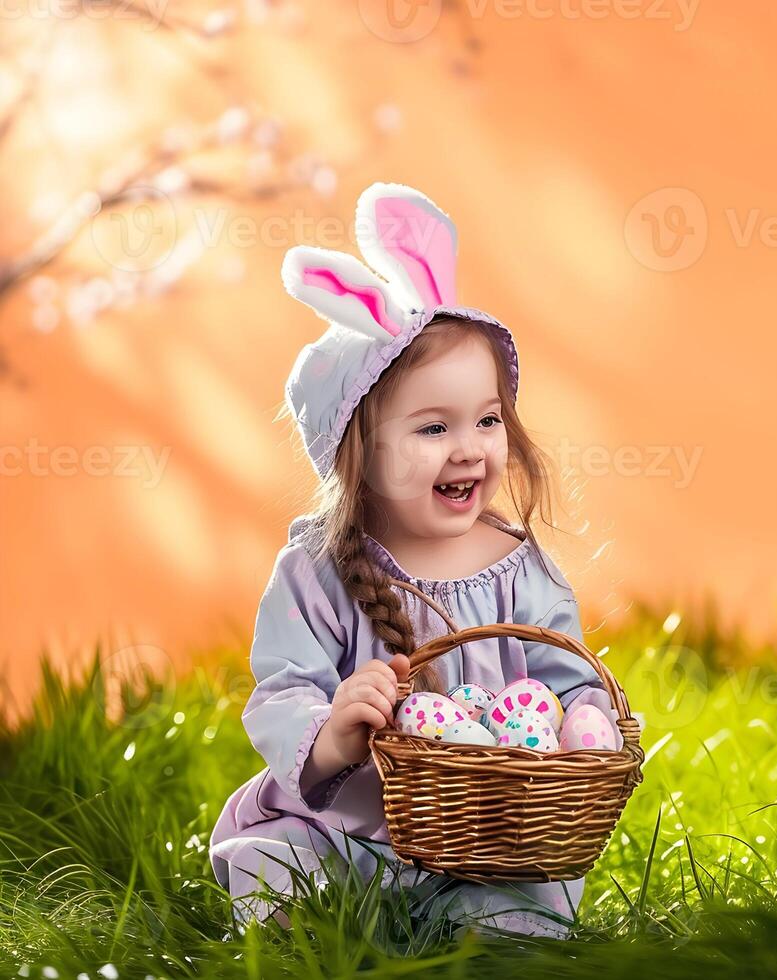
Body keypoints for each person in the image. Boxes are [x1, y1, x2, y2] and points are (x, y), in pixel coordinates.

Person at [208, 182, 623, 940]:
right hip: (348, 827)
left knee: (525, 903)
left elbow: (567, 682)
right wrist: (333, 732)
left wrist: (586, 718)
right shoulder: (318, 570)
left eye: (488, 419)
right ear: (359, 455)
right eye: (434, 427)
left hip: (487, 837)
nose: (470, 446)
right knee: (282, 861)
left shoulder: (519, 568)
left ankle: (485, 928)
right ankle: (313, 920)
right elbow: (282, 687)